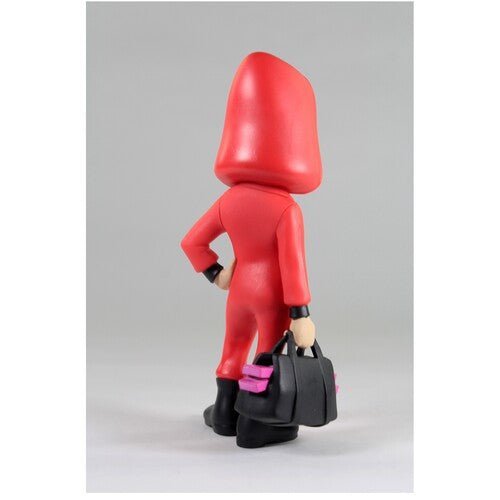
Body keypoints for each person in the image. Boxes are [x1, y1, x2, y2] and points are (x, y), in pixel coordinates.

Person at [181, 52, 323, 448]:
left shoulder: (230, 200)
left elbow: (192, 241)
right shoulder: (286, 209)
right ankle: (256, 423)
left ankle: (224, 412)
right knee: (267, 352)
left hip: (239, 290)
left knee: (233, 346)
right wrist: (300, 313)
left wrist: (216, 273)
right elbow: (293, 267)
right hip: (271, 296)